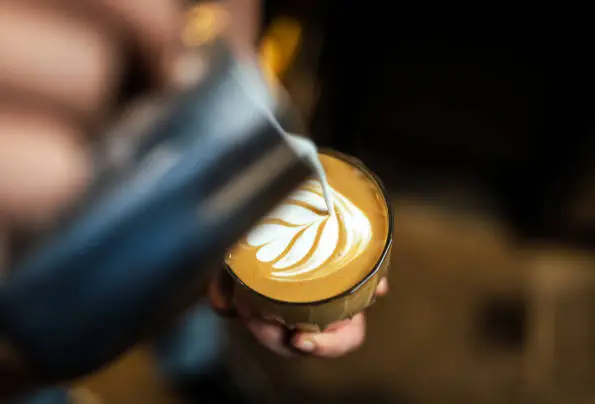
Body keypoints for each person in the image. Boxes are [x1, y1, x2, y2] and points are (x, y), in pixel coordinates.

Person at [0, 1, 389, 402]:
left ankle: (196, 363)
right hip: (35, 237)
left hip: (163, 161)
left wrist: (222, 217)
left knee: (188, 315)